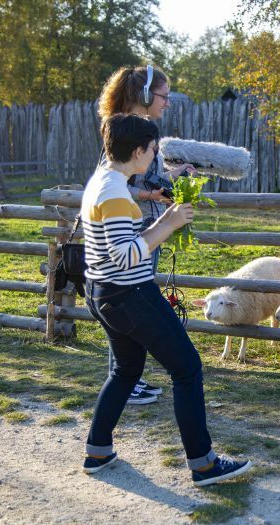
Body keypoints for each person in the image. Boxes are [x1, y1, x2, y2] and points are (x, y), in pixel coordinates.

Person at [81, 113, 252, 486]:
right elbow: (125, 255)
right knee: (187, 368)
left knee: (125, 371)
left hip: (103, 292)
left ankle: (98, 450)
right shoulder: (113, 192)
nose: (155, 156)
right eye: (153, 149)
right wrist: (169, 224)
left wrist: (163, 219)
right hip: (130, 294)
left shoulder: (104, 181)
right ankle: (203, 464)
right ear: (138, 151)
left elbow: (120, 241)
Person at [96, 65, 196, 405]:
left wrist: (175, 175)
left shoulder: (140, 131)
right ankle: (126, 379)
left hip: (146, 227)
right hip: (130, 231)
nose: (167, 102)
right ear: (144, 95)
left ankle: (130, 378)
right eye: (163, 96)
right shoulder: (123, 131)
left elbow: (144, 177)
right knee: (129, 305)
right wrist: (150, 195)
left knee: (133, 306)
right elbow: (113, 184)